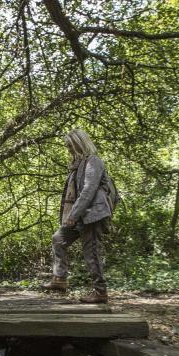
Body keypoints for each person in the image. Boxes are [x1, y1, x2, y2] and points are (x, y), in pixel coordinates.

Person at [42, 129, 112, 303]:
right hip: (80, 215)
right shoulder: (77, 165)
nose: (68, 149)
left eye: (70, 145)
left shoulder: (93, 161)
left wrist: (73, 214)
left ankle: (100, 292)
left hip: (93, 214)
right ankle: (60, 279)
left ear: (79, 144)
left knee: (91, 252)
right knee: (59, 239)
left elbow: (88, 190)